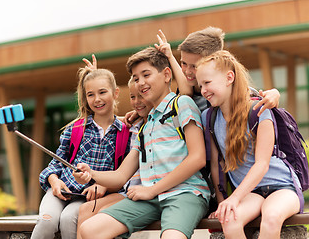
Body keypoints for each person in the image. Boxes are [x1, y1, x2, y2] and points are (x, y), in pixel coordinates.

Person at [74, 47, 210, 239]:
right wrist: (91, 174)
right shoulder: (145, 126)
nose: (140, 83)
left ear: (166, 74)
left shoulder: (182, 104)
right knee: (90, 229)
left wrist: (152, 190)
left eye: (146, 75)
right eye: (136, 79)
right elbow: (121, 176)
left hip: (185, 192)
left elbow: (198, 158)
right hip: (150, 199)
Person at [197, 50, 301, 238]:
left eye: (207, 83)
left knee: (271, 218)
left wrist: (235, 198)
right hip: (250, 192)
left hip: (282, 187)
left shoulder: (259, 110)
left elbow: (262, 164)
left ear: (229, 78)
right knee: (230, 221)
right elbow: (216, 164)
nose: (203, 90)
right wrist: (224, 203)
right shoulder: (209, 117)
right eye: (200, 85)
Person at [30, 65, 129, 239]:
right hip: (62, 190)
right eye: (90, 94)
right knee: (47, 221)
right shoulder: (75, 128)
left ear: (116, 93)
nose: (97, 99)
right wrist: (54, 182)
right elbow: (56, 163)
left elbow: (125, 174)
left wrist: (104, 185)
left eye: (103, 92)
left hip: (87, 198)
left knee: (70, 220)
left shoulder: (126, 133)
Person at [76, 61, 152, 239]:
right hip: (128, 189)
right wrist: (94, 78)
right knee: (85, 209)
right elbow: (104, 118)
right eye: (133, 97)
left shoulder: (155, 122)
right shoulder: (134, 125)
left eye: (141, 96)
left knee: (100, 213)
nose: (137, 102)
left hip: (140, 191)